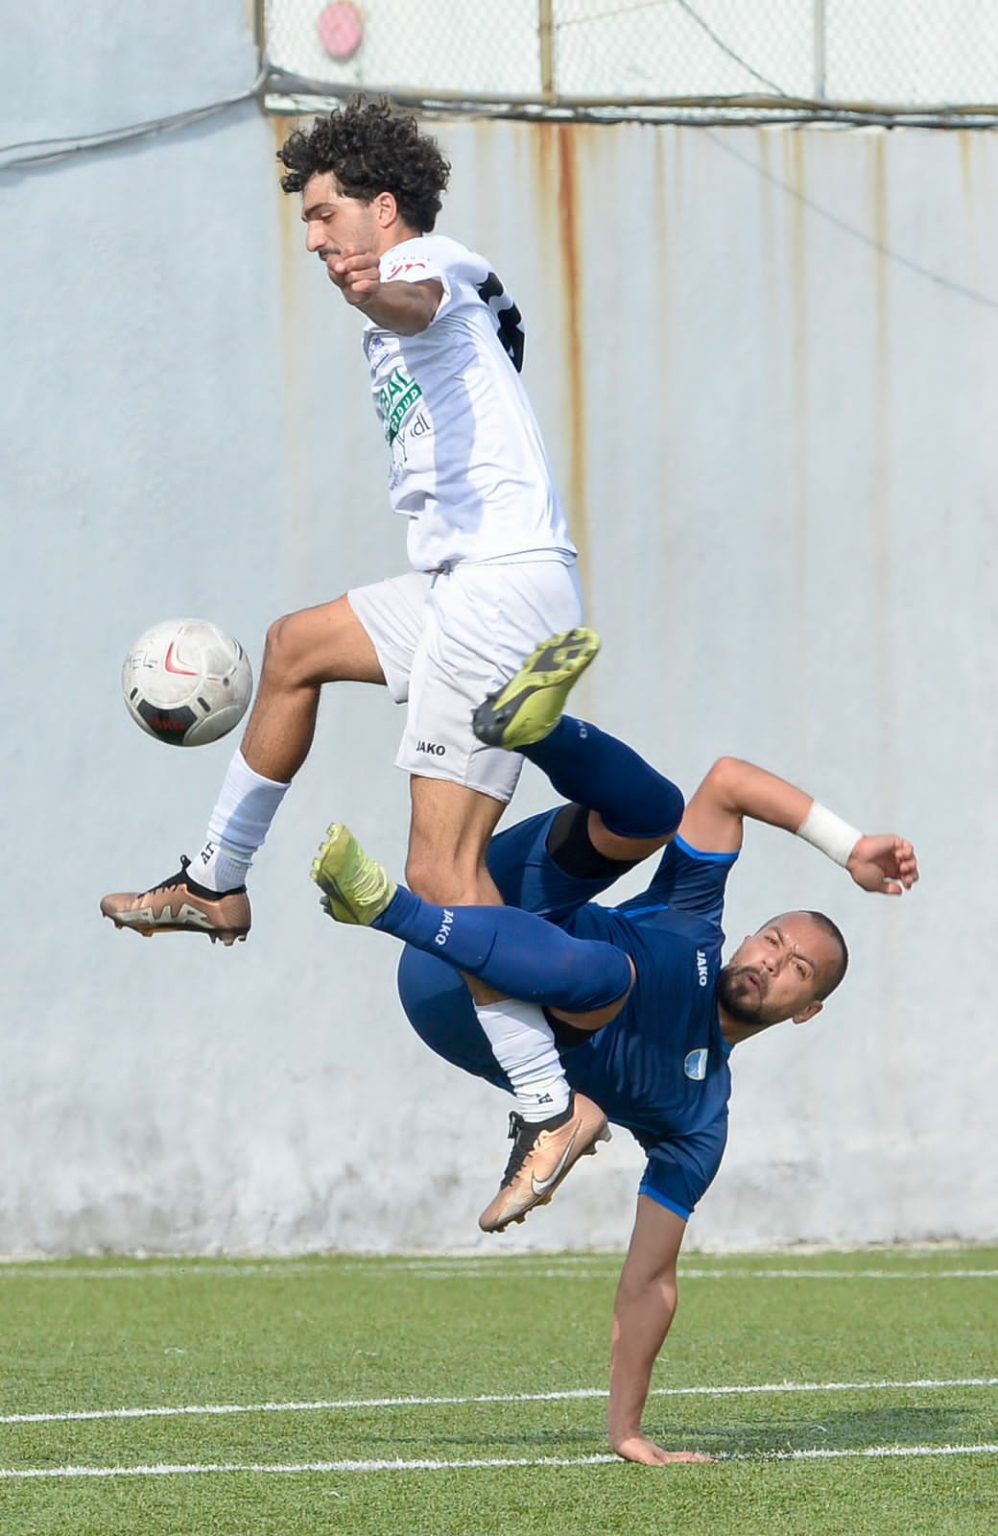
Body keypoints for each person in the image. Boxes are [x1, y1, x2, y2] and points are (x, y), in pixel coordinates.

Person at [100, 98, 599, 1144]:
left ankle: (548, 1102)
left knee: (440, 872)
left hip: (496, 590)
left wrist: (386, 289)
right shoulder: (425, 292)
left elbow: (424, 299)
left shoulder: (425, 266)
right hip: (463, 582)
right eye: (308, 224)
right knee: (295, 647)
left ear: (383, 209)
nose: (316, 241)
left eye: (326, 216)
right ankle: (216, 882)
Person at [307, 633, 919, 1466]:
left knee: (608, 976)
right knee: (653, 812)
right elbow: (729, 781)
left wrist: (626, 1428)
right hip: (490, 905)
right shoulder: (692, 912)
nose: (772, 962)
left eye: (796, 971)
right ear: (750, 934)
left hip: (451, 996)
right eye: (773, 941)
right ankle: (532, 728)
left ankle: (386, 911)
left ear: (805, 1011)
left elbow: (651, 1281)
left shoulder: (697, 1118)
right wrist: (849, 847)